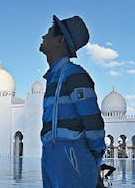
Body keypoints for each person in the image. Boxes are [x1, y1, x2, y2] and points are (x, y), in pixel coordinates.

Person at [39, 15, 106, 188]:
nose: (43, 37)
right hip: (50, 158)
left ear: (60, 40)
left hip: (73, 158)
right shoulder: (52, 79)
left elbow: (93, 122)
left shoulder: (75, 75)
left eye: (48, 33)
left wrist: (96, 161)